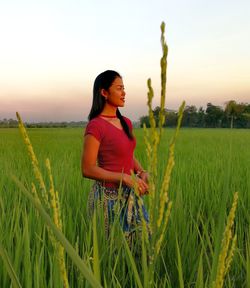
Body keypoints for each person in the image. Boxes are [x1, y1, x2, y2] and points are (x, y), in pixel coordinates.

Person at [81, 70, 150, 240]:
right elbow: (87, 169)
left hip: (131, 195)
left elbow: (127, 155)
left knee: (144, 242)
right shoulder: (96, 126)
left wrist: (141, 172)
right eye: (119, 88)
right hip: (108, 199)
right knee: (114, 252)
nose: (124, 93)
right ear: (104, 92)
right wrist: (124, 178)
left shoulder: (125, 122)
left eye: (124, 88)